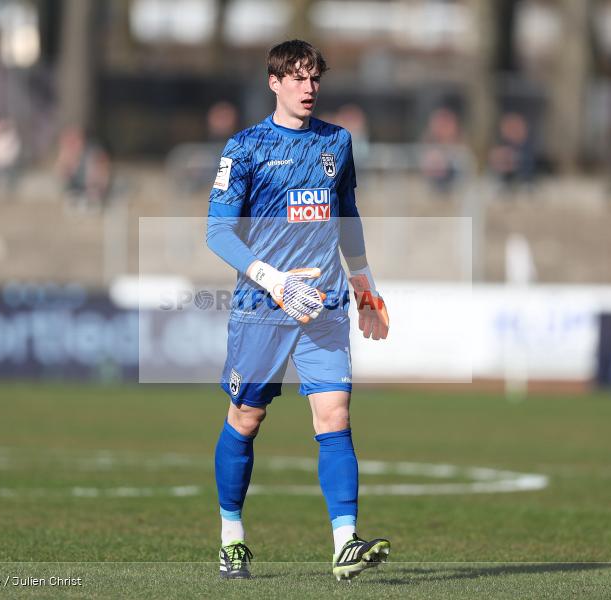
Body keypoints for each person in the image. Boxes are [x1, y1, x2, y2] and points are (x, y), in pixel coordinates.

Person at [205, 40, 391, 581]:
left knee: (336, 417)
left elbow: (347, 219)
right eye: (297, 78)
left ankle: (345, 543)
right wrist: (274, 280)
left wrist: (365, 289)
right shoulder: (245, 148)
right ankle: (231, 538)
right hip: (262, 305)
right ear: (274, 82)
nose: (308, 88)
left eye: (314, 78)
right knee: (246, 418)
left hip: (325, 304)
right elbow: (217, 231)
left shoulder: (338, 142)